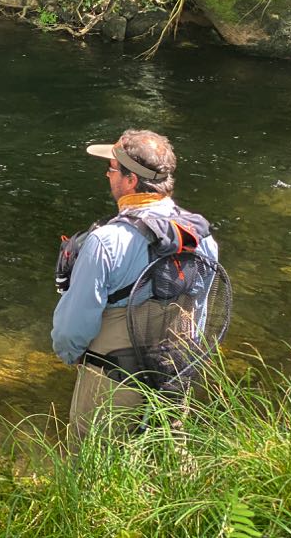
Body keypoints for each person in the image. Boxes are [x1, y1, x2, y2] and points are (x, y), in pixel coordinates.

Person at [51, 129, 218, 441]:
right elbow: (199, 317)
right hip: (172, 379)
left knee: (92, 468)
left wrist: (70, 355)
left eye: (112, 168)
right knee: (164, 458)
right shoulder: (200, 236)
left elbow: (70, 331)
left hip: (111, 380)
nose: (107, 173)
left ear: (130, 181)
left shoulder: (105, 242)